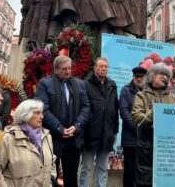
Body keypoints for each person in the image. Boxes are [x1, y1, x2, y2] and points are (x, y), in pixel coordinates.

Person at [35, 56, 90, 187]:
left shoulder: (80, 84)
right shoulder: (44, 84)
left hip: (73, 138)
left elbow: (86, 107)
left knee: (71, 176)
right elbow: (42, 109)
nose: (68, 71)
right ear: (56, 69)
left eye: (69, 68)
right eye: (64, 69)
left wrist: (77, 126)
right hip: (52, 137)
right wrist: (59, 128)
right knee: (50, 176)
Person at [131, 63, 175, 187]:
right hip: (147, 145)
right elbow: (136, 116)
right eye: (162, 74)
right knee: (146, 180)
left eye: (167, 76)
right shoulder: (141, 96)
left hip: (170, 145)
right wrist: (157, 115)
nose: (165, 77)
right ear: (152, 76)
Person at [79, 57, 119, 187]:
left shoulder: (112, 85)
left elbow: (115, 108)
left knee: (102, 167)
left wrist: (115, 131)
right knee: (86, 167)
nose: (103, 69)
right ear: (95, 68)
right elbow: (82, 108)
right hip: (90, 132)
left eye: (106, 67)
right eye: (101, 66)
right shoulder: (86, 84)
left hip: (107, 132)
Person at [0, 99, 56, 186]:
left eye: (41, 113)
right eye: (37, 113)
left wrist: (51, 179)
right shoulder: (8, 138)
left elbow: (52, 162)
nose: (42, 116)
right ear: (25, 116)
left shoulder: (47, 136)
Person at [119, 66, 147, 187]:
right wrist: (137, 129)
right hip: (130, 138)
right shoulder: (126, 90)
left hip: (146, 139)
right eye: (137, 77)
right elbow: (124, 112)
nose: (139, 79)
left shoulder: (149, 91)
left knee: (144, 170)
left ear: (145, 77)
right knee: (129, 170)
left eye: (141, 77)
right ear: (133, 77)